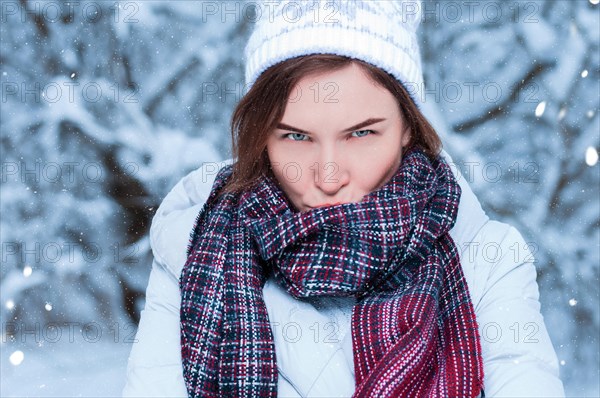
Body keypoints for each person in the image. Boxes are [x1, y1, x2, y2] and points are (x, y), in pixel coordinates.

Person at [122, 1, 565, 397]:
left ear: (408, 127)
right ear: (262, 138)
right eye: (297, 136)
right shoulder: (196, 248)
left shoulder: (486, 260)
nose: (329, 176)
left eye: (361, 133)